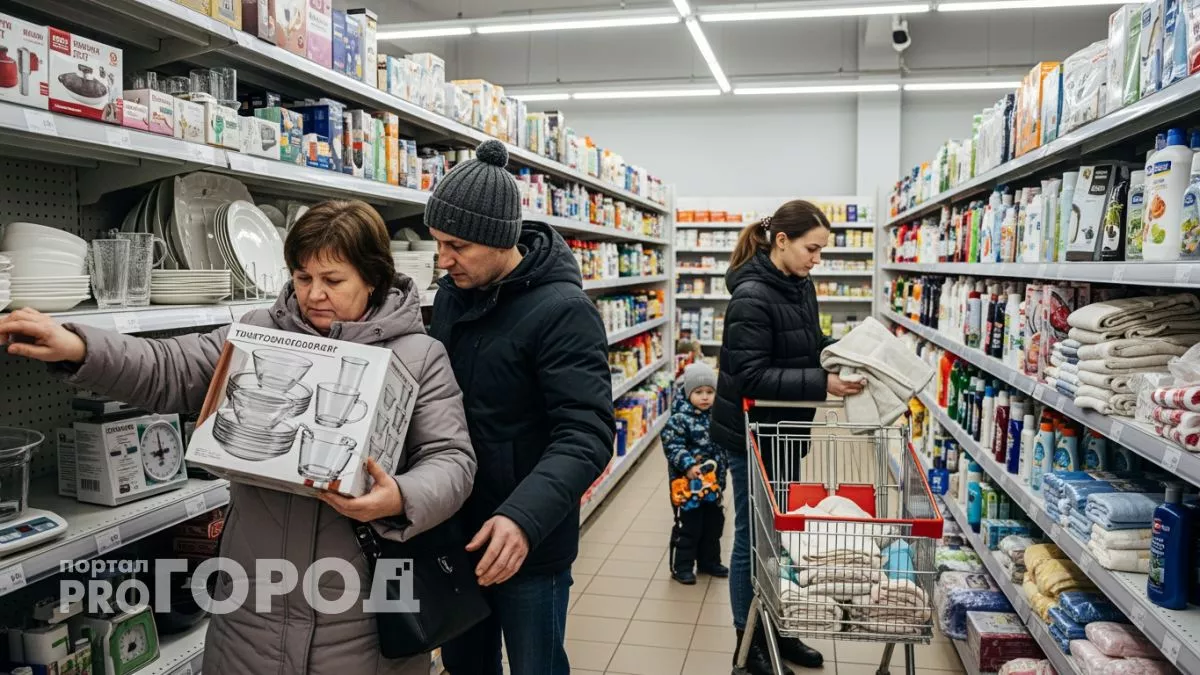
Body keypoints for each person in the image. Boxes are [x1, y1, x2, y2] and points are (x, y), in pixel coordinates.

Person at [0, 200, 476, 675]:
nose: (314, 294)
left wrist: (399, 498)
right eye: (302, 276)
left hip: (360, 624)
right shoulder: (258, 333)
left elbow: (451, 460)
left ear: (372, 278)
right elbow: (169, 367)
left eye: (333, 280)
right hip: (250, 613)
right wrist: (80, 346)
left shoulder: (419, 355)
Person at [422, 139, 615, 675]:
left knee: (538, 666)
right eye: (437, 242)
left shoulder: (564, 312)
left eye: (456, 244)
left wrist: (523, 518)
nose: (443, 259)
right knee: (465, 666)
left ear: (499, 237)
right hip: (455, 531)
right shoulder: (452, 296)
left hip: (526, 544)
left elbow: (587, 434)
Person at [710, 200, 865, 675]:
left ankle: (776, 626)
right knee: (751, 539)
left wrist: (844, 354)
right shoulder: (752, 296)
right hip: (751, 434)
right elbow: (752, 375)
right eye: (812, 249)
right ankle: (748, 639)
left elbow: (808, 343)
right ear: (782, 241)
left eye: (821, 251)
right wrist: (823, 384)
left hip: (786, 429)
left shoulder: (800, 284)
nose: (817, 259)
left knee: (776, 534)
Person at [662, 361, 728, 585]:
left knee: (713, 525)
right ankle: (682, 566)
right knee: (689, 527)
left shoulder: (717, 416)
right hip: (687, 487)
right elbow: (672, 445)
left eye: (709, 392)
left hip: (712, 486)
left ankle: (709, 562)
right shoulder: (680, 419)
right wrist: (689, 465)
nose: (705, 397)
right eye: (698, 392)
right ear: (688, 392)